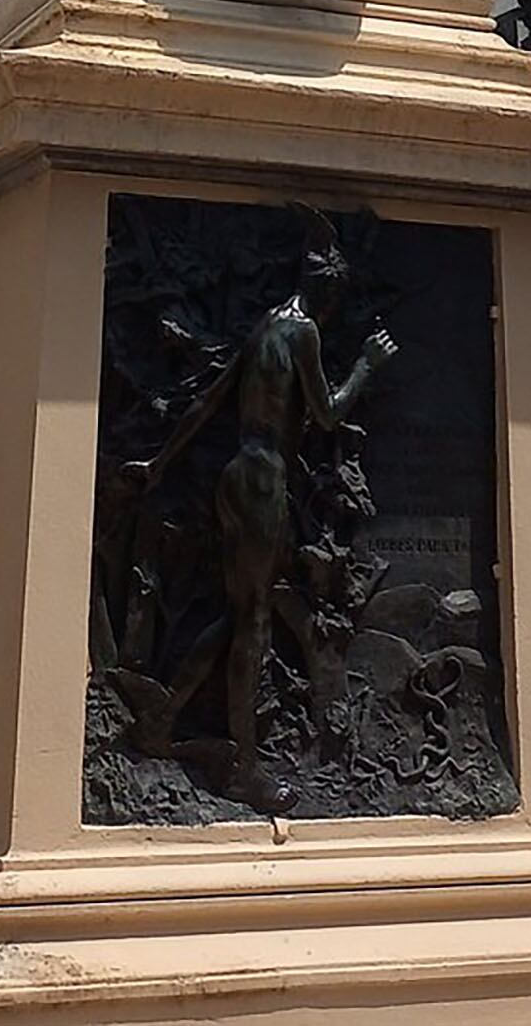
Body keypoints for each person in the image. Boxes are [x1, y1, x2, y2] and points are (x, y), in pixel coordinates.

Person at [119, 229, 396, 812]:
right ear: (329, 293)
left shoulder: (266, 324)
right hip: (265, 482)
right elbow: (326, 414)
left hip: (236, 477)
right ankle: (244, 770)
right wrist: (367, 366)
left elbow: (208, 401)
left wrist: (159, 461)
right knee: (256, 622)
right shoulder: (304, 332)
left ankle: (166, 716)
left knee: (239, 610)